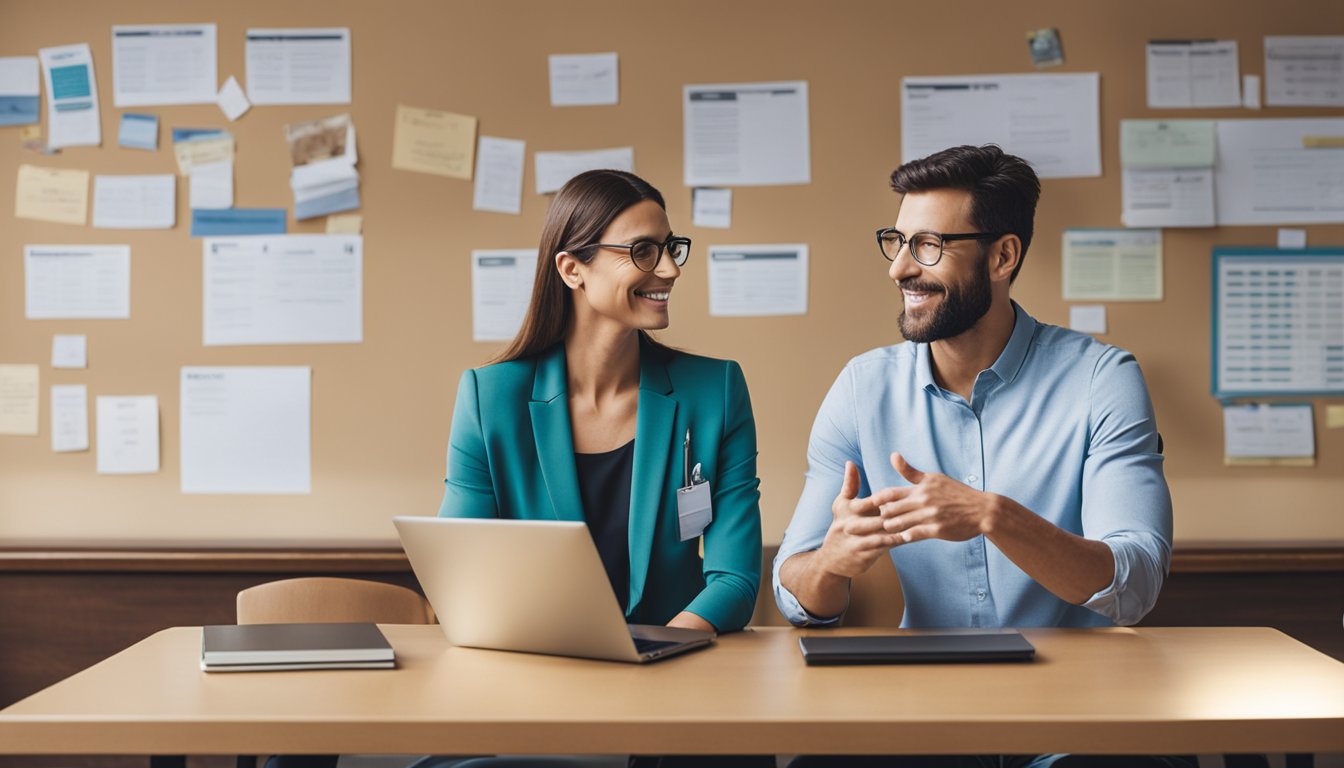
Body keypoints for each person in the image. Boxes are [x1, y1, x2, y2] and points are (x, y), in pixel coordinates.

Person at [775, 145, 1185, 768]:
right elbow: (796, 592)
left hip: (1079, 720)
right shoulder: (862, 389)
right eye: (897, 241)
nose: (900, 269)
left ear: (1003, 256)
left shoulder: (1103, 378)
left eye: (929, 246)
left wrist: (997, 516)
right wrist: (832, 564)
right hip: (925, 720)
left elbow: (1135, 584)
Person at [441, 168, 761, 635]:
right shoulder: (488, 399)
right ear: (573, 269)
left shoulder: (716, 391)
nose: (670, 269)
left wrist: (657, 652)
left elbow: (734, 579)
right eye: (643, 251)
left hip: (675, 669)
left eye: (671, 248)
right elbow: (460, 568)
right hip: (539, 667)